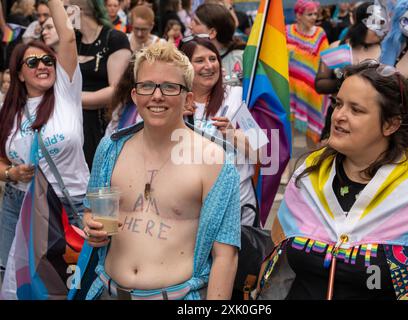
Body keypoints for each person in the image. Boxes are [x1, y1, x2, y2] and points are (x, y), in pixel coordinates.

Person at [254, 60, 408, 300]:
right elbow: (276, 271)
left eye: (356, 110)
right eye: (338, 104)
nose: (339, 116)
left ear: (390, 124)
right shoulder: (308, 175)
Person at [69, 42, 241, 300]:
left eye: (170, 87)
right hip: (107, 291)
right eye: (147, 86)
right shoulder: (110, 149)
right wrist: (92, 228)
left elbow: (225, 256)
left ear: (188, 99)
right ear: (135, 94)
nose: (157, 96)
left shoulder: (214, 160)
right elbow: (92, 211)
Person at [0, 0, 88, 277]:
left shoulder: (65, 92)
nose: (43, 66)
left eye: (48, 60)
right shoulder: (7, 110)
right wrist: (11, 172)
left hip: (69, 204)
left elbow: (69, 37)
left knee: (67, 283)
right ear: (19, 74)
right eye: (33, 62)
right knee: (15, 280)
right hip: (19, 205)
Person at [179, 36, 258, 226]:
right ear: (185, 67)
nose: (209, 66)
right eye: (199, 60)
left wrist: (233, 135)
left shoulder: (237, 97)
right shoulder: (174, 102)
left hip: (237, 206)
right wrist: (174, 121)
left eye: (213, 59)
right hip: (190, 209)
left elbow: (262, 152)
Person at [70, 0, 132, 169]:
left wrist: (71, 98)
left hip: (101, 123)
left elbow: (117, 89)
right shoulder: (72, 40)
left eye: (64, 9)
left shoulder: (114, 39)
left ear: (77, 10)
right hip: (72, 122)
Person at [315, 1, 387, 141]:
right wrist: (343, 81)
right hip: (339, 117)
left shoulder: (389, 51)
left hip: (374, 122)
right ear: (360, 23)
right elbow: (319, 84)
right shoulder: (339, 48)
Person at [286, 0, 329, 147]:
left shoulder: (320, 33)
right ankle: (289, 165)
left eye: (315, 14)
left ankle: (312, 166)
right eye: (309, 14)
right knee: (288, 131)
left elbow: (325, 60)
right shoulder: (286, 31)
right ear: (298, 15)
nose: (313, 17)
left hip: (312, 89)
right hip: (290, 89)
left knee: (312, 132)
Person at [190, 3, 245, 86]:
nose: (190, 26)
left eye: (196, 23)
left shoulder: (242, 58)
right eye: (200, 61)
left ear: (212, 33)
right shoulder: (187, 58)